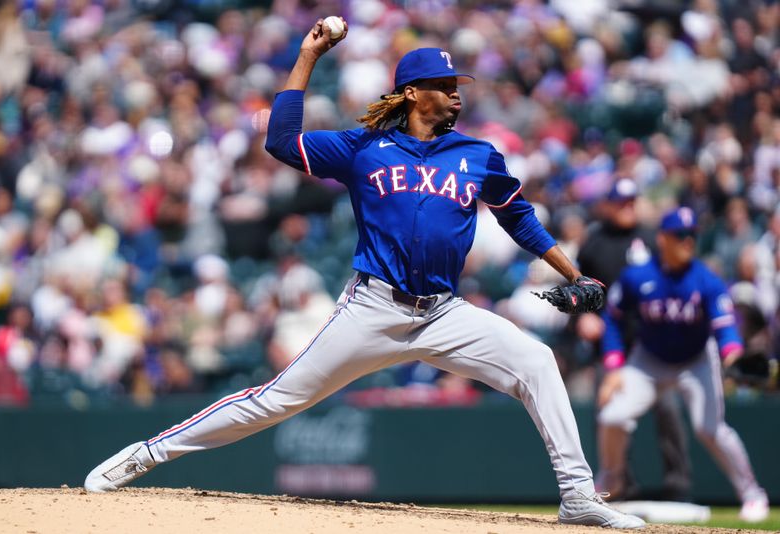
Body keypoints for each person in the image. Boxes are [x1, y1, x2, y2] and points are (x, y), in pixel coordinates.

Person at [84, 19, 644, 529]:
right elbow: (280, 141)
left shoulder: (478, 155)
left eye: (457, 84)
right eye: (443, 83)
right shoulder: (364, 147)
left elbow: (518, 215)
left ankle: (577, 496)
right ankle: (148, 453)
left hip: (444, 313)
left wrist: (575, 273)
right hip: (373, 307)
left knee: (537, 362)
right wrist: (308, 56)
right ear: (410, 93)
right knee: (276, 400)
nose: (455, 92)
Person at [596, 207, 769, 523]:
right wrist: (614, 366)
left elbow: (725, 326)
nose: (688, 241)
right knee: (613, 415)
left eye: (692, 235)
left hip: (695, 360)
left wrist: (732, 353)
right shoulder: (638, 275)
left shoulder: (706, 279)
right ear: (662, 238)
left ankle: (752, 494)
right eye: (681, 235)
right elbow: (612, 318)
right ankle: (611, 478)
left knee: (710, 428)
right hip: (648, 360)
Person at [577, 178, 692, 502]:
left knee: (668, 411)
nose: (628, 207)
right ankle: (620, 484)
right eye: (622, 202)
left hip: (651, 346)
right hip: (611, 348)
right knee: (610, 415)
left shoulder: (650, 240)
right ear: (610, 204)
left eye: (632, 201)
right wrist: (582, 316)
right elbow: (578, 287)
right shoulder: (594, 243)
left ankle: (678, 484)